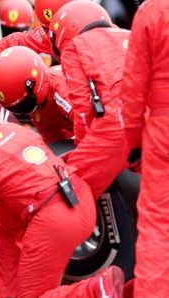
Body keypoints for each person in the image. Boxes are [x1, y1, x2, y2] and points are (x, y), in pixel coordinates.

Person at [0, 97, 124, 298]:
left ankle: (94, 291)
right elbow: (5, 224)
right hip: (80, 199)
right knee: (3, 216)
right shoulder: (11, 129)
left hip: (51, 220)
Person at [47, 0, 129, 199]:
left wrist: (86, 150)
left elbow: (83, 107)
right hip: (157, 115)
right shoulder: (129, 34)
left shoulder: (75, 47)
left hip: (121, 120)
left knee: (62, 193)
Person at [119, 0, 169, 296]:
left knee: (158, 225)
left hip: (163, 127)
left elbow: (134, 86)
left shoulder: (152, 10)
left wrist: (134, 144)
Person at [0, 46, 73, 143]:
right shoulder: (37, 109)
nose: (22, 111)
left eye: (23, 104)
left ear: (33, 85)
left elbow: (89, 127)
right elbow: (55, 141)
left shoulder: (62, 93)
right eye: (16, 108)